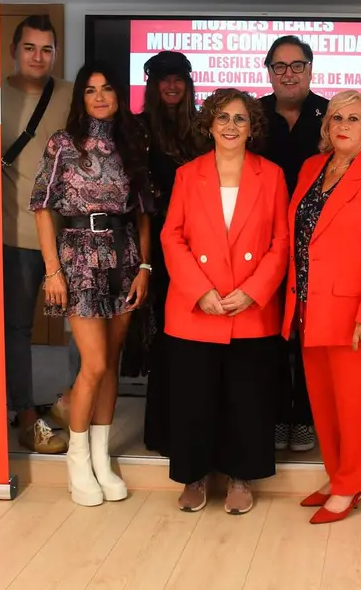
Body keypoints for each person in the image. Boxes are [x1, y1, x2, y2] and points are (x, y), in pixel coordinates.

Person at [29, 63, 153, 507]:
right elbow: (42, 207)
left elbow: (142, 214)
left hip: (124, 257)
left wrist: (145, 267)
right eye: (90, 90)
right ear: (80, 98)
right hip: (78, 255)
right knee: (94, 364)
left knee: (113, 364)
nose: (99, 97)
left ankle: (102, 459)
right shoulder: (63, 144)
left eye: (106, 89)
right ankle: (77, 460)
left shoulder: (130, 143)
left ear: (119, 95)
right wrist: (52, 270)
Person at [160, 88, 288, 515]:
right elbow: (171, 237)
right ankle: (194, 477)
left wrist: (252, 290)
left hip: (249, 307)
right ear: (208, 125)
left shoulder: (270, 175)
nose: (230, 126)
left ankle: (240, 477)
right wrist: (201, 291)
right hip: (197, 307)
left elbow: (281, 243)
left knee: (246, 398)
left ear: (253, 128)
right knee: (195, 397)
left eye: (240, 119)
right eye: (222, 118)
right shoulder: (187, 174)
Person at [288, 91, 361, 523]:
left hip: (353, 311)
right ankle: (336, 474)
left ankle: (352, 484)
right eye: (336, 117)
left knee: (354, 404)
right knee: (323, 402)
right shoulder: (310, 168)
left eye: (353, 118)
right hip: (307, 303)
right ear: (326, 125)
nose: (343, 124)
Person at [0, 14, 72, 454]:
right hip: (15, 233)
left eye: (47, 49)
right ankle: (26, 416)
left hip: (74, 236)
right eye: (30, 48)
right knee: (17, 329)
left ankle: (68, 406)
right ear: (14, 50)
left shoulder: (68, 96)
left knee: (88, 331)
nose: (38, 57)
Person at [260, 35, 328, 453]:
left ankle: (303, 416)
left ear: (310, 70)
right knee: (268, 334)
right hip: (260, 243)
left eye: (297, 65)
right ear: (268, 73)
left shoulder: (328, 115)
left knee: (306, 333)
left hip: (316, 244)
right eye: (280, 67)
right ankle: (272, 416)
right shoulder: (251, 115)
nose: (289, 74)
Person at [138, 50, 207, 456]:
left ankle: (194, 426)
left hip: (201, 247)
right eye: (163, 78)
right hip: (154, 249)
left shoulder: (202, 129)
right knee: (163, 341)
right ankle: (163, 432)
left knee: (194, 342)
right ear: (152, 84)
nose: (171, 85)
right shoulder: (137, 129)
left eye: (178, 78)